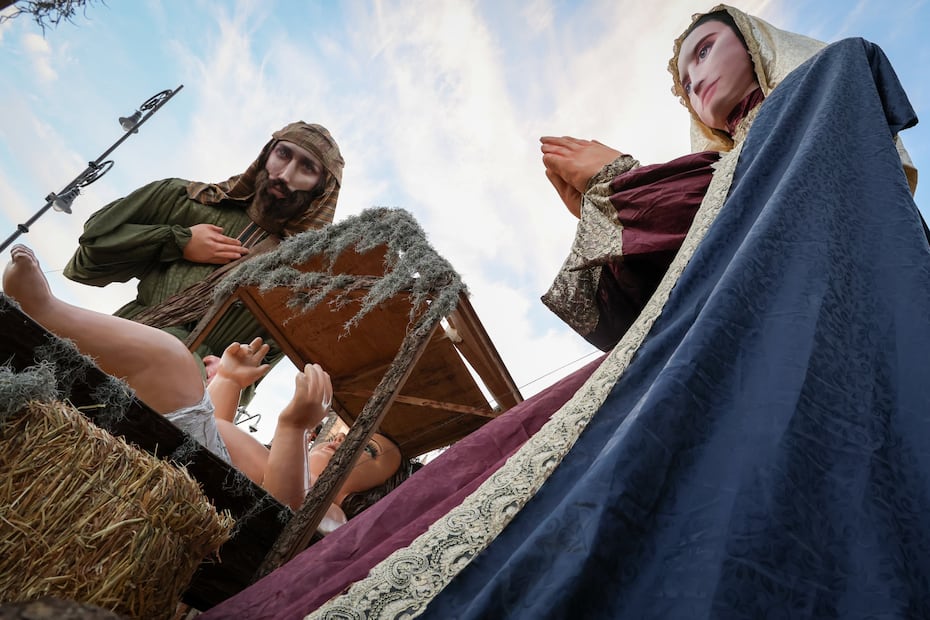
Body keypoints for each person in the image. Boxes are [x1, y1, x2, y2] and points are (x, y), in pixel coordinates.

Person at [201, 5, 930, 619]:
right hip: (717, 361)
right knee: (463, 502)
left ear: (761, 44)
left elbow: (767, 228)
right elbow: (677, 295)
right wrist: (615, 210)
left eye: (706, 51)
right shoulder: (735, 159)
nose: (695, 82)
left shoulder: (817, 100)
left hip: (795, 365)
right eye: (683, 81)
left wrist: (619, 188)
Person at [3, 244, 406, 514]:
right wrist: (230, 380)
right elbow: (220, 427)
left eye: (365, 449)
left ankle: (42, 314)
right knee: (180, 378)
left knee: (171, 361)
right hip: (201, 450)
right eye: (349, 433)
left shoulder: (329, 511)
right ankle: (37, 330)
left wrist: (293, 424)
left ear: (372, 491)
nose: (340, 439)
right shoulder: (281, 456)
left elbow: (279, 516)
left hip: (202, 480)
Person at [62, 122, 345, 398]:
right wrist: (179, 241)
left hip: (191, 392)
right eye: (283, 154)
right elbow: (94, 245)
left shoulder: (301, 285)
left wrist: (232, 377)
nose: (285, 174)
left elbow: (261, 364)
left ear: (322, 190)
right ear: (266, 154)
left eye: (307, 168)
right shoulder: (188, 201)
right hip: (117, 341)